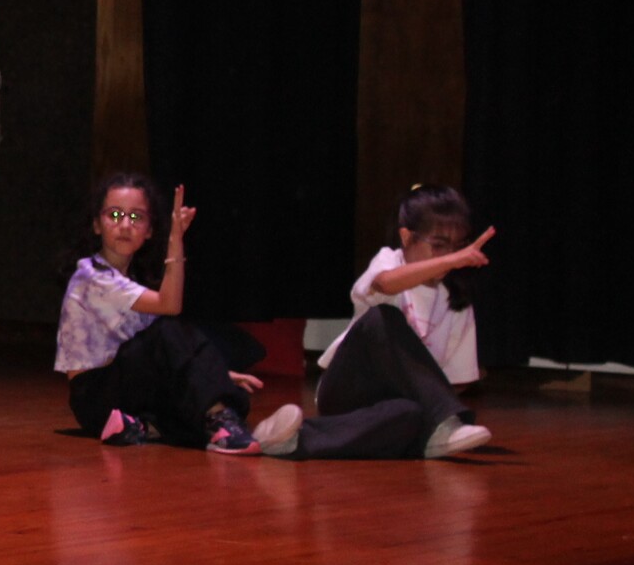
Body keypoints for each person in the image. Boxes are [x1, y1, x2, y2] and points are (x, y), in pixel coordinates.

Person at [56, 172, 283, 454]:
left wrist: (214, 373)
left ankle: (142, 427)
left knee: (210, 388)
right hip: (95, 398)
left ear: (149, 230)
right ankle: (221, 423)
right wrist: (176, 238)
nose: (125, 225)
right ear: (96, 224)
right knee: (169, 330)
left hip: (121, 393)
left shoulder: (130, 281)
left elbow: (165, 355)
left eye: (136, 217)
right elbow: (170, 307)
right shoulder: (92, 277)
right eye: (114, 214)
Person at [276, 184, 497, 460]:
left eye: (457, 248)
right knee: (383, 316)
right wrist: (452, 260)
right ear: (406, 237)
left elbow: (456, 381)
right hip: (348, 387)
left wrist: (425, 399)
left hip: (396, 401)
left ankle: (293, 440)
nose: (449, 257)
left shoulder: (456, 301)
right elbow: (385, 284)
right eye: (439, 246)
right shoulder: (388, 260)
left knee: (410, 415)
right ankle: (441, 424)